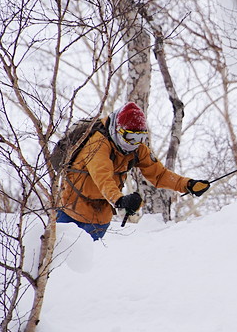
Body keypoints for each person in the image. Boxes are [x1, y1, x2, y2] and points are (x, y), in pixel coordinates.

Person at [58, 102, 210, 240]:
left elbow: (159, 174)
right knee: (58, 263)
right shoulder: (98, 143)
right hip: (70, 212)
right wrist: (120, 200)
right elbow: (102, 177)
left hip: (100, 218)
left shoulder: (137, 148)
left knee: (91, 265)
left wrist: (188, 184)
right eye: (130, 137)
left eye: (140, 137)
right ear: (118, 130)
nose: (135, 143)